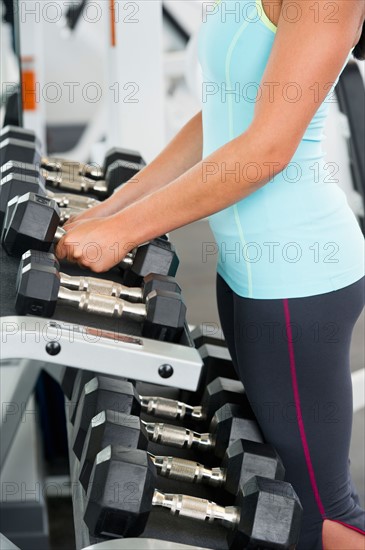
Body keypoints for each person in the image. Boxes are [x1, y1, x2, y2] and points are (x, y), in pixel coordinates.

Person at [56, 1, 365, 548]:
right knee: (268, 494)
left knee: (319, 516)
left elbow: (264, 150)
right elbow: (221, 116)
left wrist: (123, 232)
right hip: (243, 272)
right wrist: (115, 206)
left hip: (298, 280)